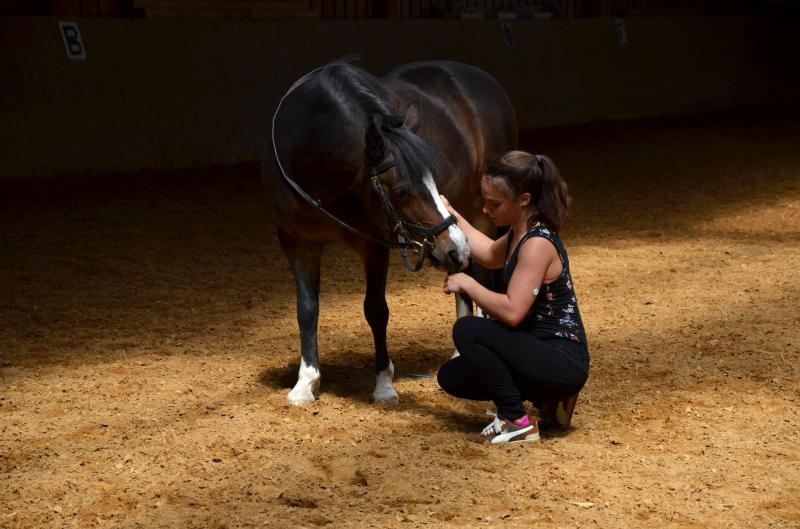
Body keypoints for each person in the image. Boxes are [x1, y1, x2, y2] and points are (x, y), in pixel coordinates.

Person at [438, 150, 589, 445]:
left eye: (494, 203)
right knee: (453, 376)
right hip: (536, 349)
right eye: (484, 200)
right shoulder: (518, 233)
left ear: (524, 200)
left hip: (562, 359)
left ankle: (516, 421)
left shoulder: (537, 243)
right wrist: (450, 214)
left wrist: (468, 284)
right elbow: (488, 253)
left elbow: (512, 312)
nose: (485, 210)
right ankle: (546, 398)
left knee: (468, 330)